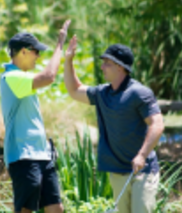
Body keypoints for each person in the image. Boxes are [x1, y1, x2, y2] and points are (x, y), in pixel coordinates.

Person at [63, 41, 164, 213]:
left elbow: (157, 124)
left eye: (106, 64)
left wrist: (141, 155)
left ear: (120, 67)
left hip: (142, 171)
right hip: (117, 173)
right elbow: (74, 90)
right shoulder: (102, 93)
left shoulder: (139, 93)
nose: (102, 67)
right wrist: (68, 60)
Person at [0, 23, 70, 213]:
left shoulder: (23, 77)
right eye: (36, 52)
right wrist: (59, 45)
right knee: (25, 210)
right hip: (23, 155)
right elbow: (49, 76)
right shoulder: (11, 77)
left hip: (42, 153)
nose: (38, 56)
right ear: (23, 52)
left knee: (56, 208)